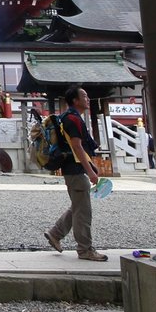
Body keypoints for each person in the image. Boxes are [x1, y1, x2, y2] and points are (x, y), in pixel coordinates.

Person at [43, 87, 107, 261]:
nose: (87, 99)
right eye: (84, 96)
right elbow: (77, 146)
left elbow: (77, 148)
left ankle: (55, 233)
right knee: (83, 211)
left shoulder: (69, 117)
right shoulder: (73, 119)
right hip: (75, 170)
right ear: (75, 101)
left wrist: (92, 166)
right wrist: (90, 171)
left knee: (78, 206)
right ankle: (85, 249)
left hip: (72, 169)